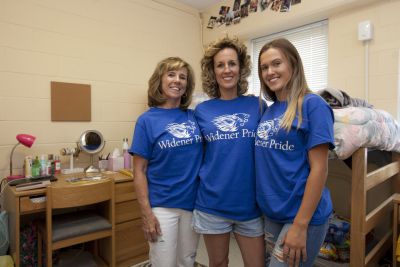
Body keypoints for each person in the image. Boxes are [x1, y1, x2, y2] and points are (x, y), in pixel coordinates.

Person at [255, 38, 334, 267]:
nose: (270, 72)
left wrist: (300, 225)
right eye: (264, 67)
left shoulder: (313, 105)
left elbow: (320, 169)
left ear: (293, 65)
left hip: (300, 216)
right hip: (272, 215)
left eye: (276, 63)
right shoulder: (268, 111)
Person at [193, 36, 265, 267]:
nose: (227, 70)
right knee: (218, 264)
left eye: (232, 63)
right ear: (212, 71)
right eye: (220, 65)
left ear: (241, 68)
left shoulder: (258, 105)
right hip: (212, 203)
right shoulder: (201, 110)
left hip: (249, 205)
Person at [129, 57, 203, 267]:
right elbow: (140, 171)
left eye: (183, 77)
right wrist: (146, 214)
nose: (177, 80)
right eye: (171, 74)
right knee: (163, 263)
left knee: (186, 261)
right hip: (162, 206)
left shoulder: (194, 117)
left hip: (193, 204)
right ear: (159, 80)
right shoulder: (146, 121)